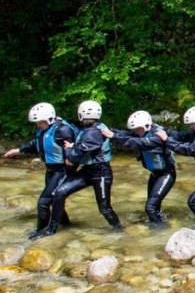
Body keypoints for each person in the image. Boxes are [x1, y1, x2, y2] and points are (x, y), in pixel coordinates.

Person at [31, 101, 122, 239]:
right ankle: (52, 229)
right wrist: (73, 147)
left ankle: (119, 229)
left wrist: (69, 149)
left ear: (80, 115)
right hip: (88, 171)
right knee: (60, 192)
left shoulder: (94, 132)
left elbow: (74, 155)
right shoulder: (90, 130)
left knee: (104, 208)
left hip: (101, 173)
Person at [3, 102, 74, 233]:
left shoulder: (62, 130)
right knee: (55, 202)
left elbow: (73, 149)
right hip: (51, 169)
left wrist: (70, 161)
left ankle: (41, 231)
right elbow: (36, 143)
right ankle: (67, 227)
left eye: (40, 122)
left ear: (49, 118)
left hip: (62, 170)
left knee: (43, 203)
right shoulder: (44, 130)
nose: (38, 125)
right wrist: (18, 149)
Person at [102, 111, 176, 224]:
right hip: (155, 175)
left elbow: (136, 142)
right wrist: (107, 129)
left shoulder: (157, 137)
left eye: (138, 129)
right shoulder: (142, 133)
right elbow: (126, 135)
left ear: (147, 125)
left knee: (150, 208)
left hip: (166, 175)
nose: (136, 132)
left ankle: (161, 231)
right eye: (135, 130)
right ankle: (157, 226)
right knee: (153, 208)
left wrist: (112, 136)